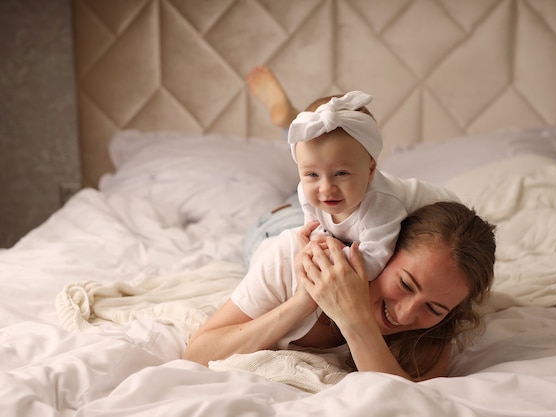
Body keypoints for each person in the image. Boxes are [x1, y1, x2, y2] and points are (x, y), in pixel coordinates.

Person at [184, 200, 496, 381]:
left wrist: (354, 319)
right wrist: (302, 302)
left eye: (434, 307)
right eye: (404, 284)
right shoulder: (287, 256)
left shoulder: (435, 329)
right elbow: (198, 354)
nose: (404, 314)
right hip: (280, 222)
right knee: (322, 181)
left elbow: (401, 402)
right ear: (383, 253)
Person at [245, 66, 458, 281]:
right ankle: (290, 125)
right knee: (313, 162)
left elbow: (370, 263)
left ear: (371, 169)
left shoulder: (381, 206)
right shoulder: (307, 191)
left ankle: (291, 124)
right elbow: (315, 232)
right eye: (311, 175)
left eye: (341, 173)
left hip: (451, 219)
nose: (327, 188)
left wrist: (330, 254)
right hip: (278, 220)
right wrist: (323, 243)